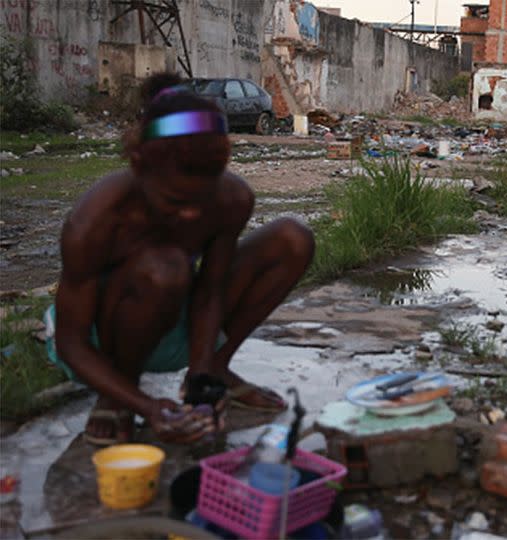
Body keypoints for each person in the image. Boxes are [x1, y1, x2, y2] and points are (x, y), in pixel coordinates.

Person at [44, 73, 316, 445]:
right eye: (175, 201)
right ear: (139, 166)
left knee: (292, 238)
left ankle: (216, 371)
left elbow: (211, 290)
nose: (191, 215)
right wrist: (148, 407)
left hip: (174, 310)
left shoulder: (231, 199)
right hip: (99, 337)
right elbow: (70, 344)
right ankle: (117, 393)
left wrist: (203, 379)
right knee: (166, 267)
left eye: (202, 198)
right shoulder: (97, 219)